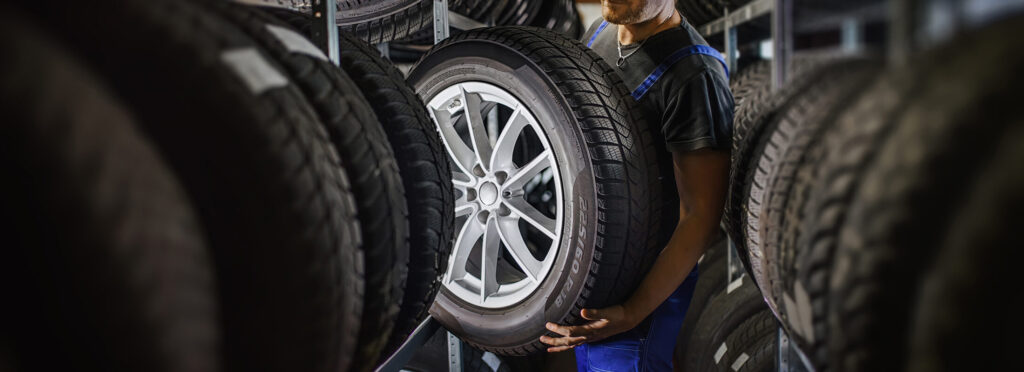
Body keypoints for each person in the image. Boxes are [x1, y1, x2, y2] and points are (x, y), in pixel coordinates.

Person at [538, 0, 734, 371]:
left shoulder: (695, 75)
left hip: (639, 298)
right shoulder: (601, 30)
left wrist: (631, 311)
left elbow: (700, 217)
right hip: (593, 276)